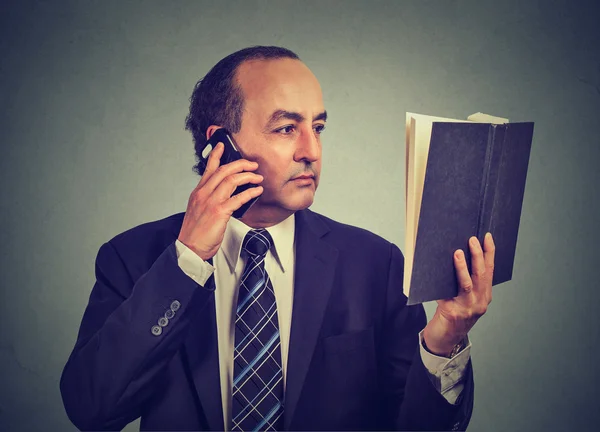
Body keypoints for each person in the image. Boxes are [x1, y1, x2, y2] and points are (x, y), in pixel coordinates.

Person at [60, 46, 494, 431]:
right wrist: (187, 260)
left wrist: (445, 337)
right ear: (220, 146)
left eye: (318, 127)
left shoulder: (376, 264)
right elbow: (91, 410)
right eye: (287, 128)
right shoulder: (133, 257)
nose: (312, 150)